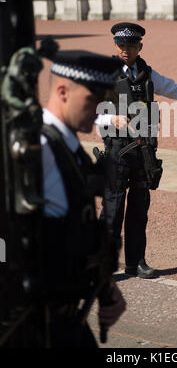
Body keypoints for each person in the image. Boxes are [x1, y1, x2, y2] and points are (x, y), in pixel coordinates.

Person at [95, 22, 177, 279]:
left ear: (140, 46)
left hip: (143, 153)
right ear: (115, 46)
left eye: (131, 45)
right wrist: (112, 120)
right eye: (121, 45)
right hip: (117, 152)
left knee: (139, 211)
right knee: (112, 212)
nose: (125, 50)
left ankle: (136, 263)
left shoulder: (148, 75)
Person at [40, 48, 126, 347]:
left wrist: (106, 287)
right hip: (39, 325)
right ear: (62, 91)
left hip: (69, 316)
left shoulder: (66, 144)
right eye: (93, 100)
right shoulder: (38, 150)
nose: (99, 110)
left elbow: (80, 229)